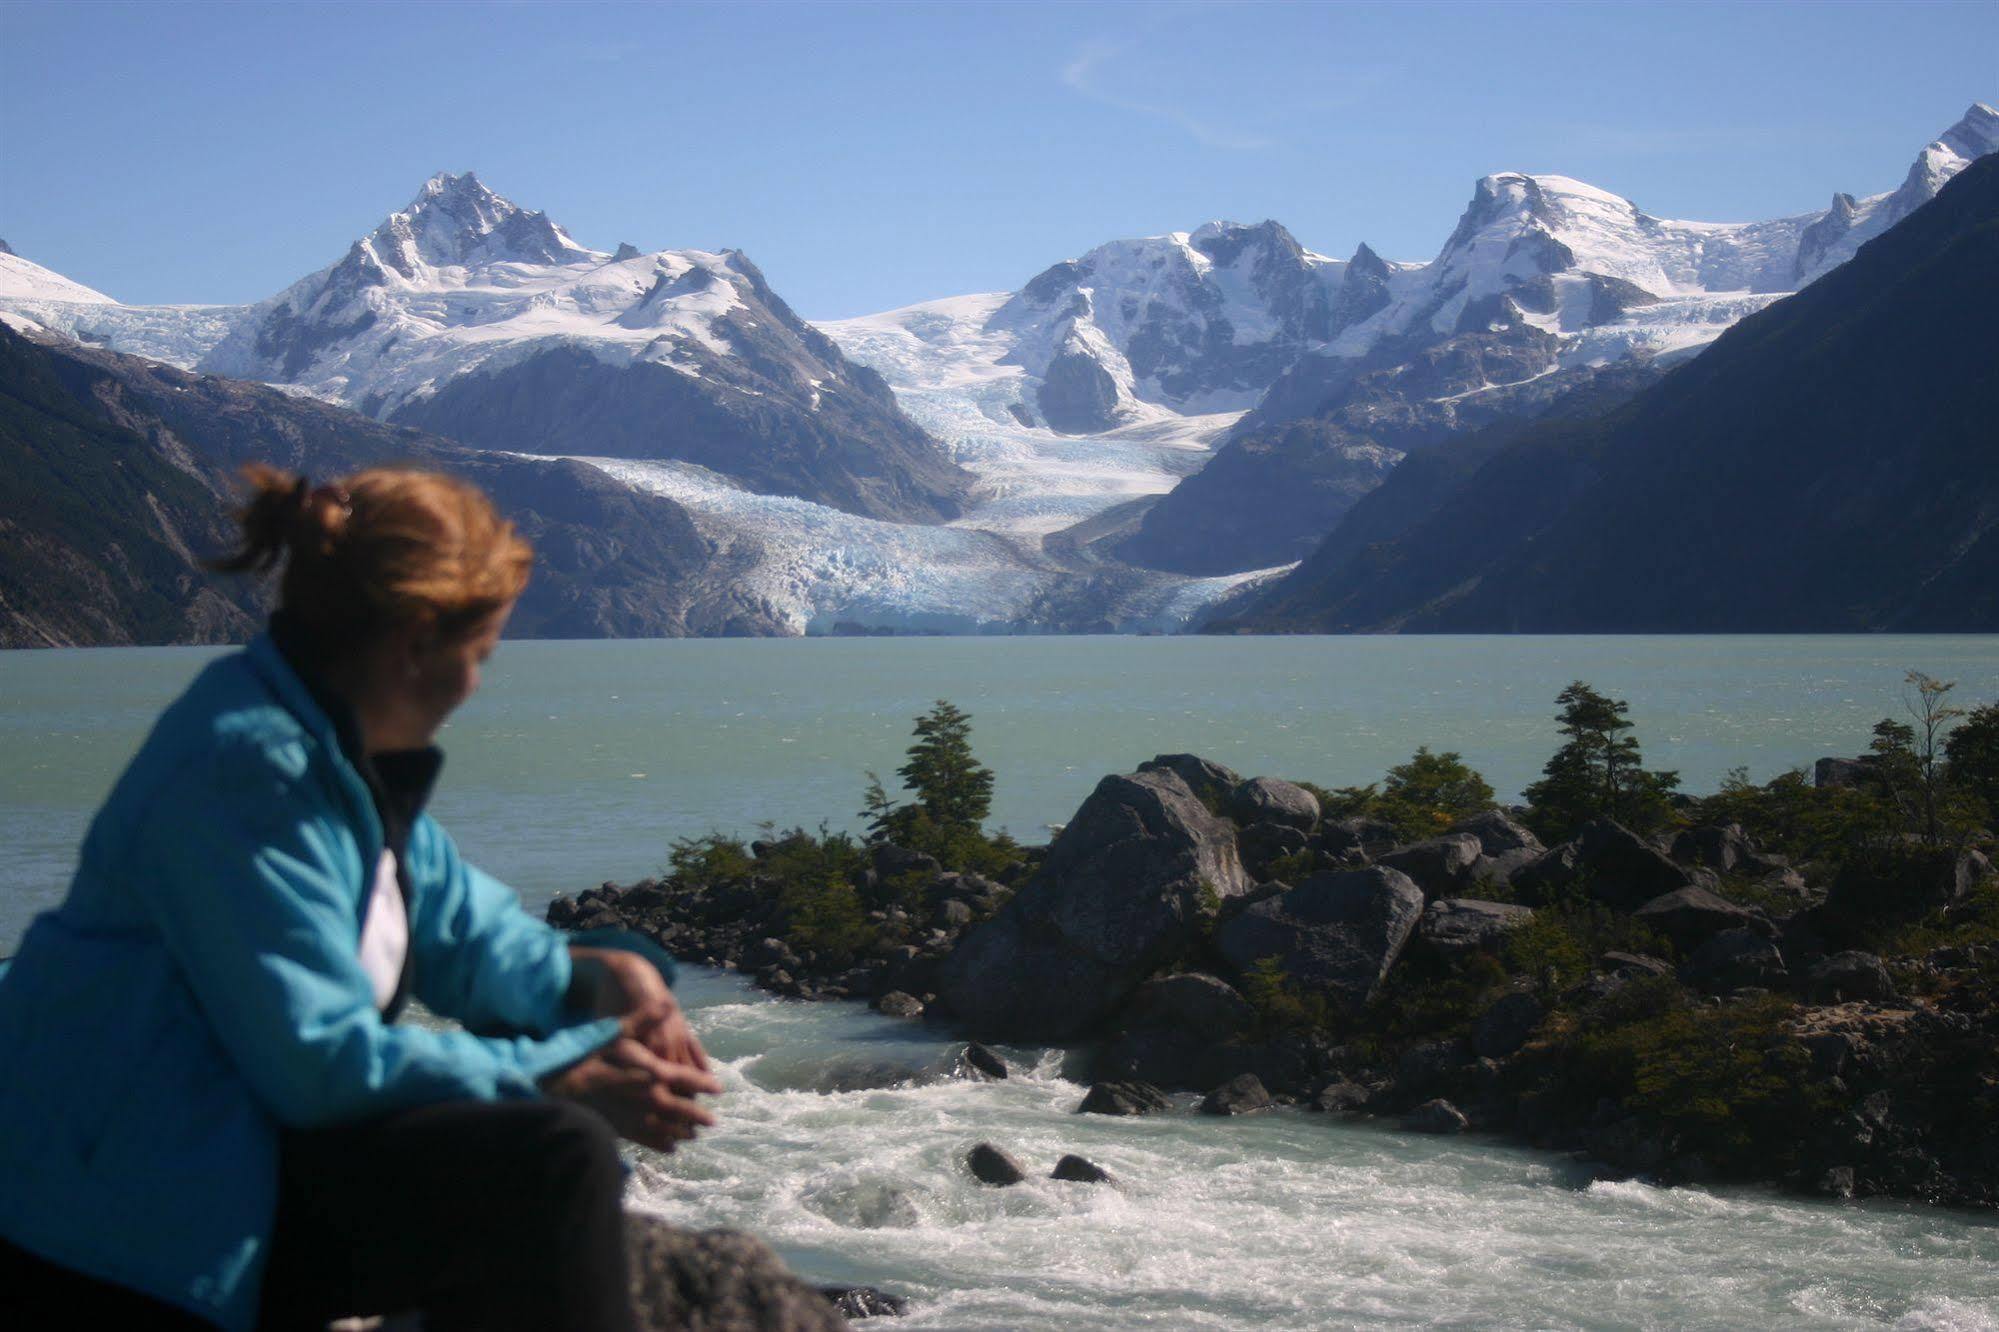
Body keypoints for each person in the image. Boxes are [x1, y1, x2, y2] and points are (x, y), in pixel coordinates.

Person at [0, 465, 722, 1331]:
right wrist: (557, 1070)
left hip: (230, 1166)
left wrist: (599, 978)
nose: (477, 686)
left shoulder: (329, 748)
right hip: (118, 1221)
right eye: (479, 655)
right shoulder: (249, 767)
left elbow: (464, 932)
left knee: (540, 1155)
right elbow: (319, 1066)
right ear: (417, 642)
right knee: (551, 1156)